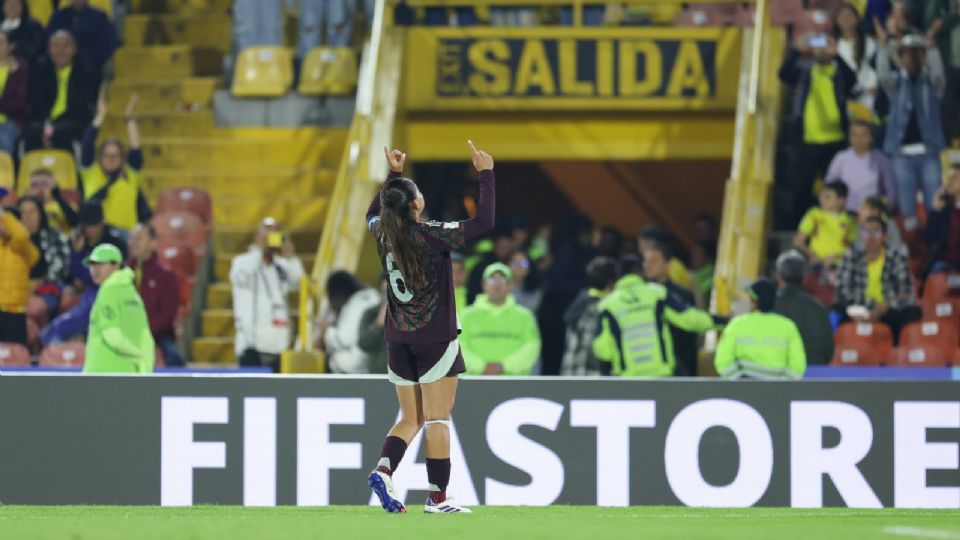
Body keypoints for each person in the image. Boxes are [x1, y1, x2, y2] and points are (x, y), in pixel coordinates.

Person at [364, 141, 494, 514]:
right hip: (435, 339)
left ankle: (384, 471)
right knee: (437, 418)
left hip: (398, 339)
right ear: (415, 205)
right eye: (416, 192)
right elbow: (484, 223)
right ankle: (437, 498)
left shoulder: (382, 233)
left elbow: (373, 211)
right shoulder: (432, 235)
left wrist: (393, 176)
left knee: (410, 417)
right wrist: (485, 174)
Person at [592, 254, 724, 378]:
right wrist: (723, 321)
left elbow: (602, 348)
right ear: (640, 272)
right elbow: (690, 319)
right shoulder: (657, 293)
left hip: (628, 379)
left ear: (618, 277)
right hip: (661, 375)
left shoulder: (607, 305)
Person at [778, 32, 857, 226]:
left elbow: (852, 80)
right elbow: (783, 74)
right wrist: (795, 51)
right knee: (803, 187)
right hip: (808, 140)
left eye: (826, 45)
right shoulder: (805, 70)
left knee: (837, 187)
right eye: (818, 45)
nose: (821, 50)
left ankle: (838, 225)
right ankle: (802, 226)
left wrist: (836, 55)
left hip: (835, 139)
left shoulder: (837, 73)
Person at [875, 25, 947, 222]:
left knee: (935, 202)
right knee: (907, 207)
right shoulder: (897, 83)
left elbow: (939, 74)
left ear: (923, 56)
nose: (911, 58)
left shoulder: (932, 84)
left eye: (915, 53)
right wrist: (883, 48)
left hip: (929, 151)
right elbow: (882, 76)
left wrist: (931, 49)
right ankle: (910, 248)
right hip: (900, 153)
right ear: (900, 58)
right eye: (906, 54)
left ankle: (935, 244)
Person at [230, 217, 304, 372]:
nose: (270, 238)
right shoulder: (242, 262)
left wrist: (291, 256)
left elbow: (299, 283)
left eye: (274, 234)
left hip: (278, 343)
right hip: (251, 344)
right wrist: (260, 249)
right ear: (257, 237)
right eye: (266, 234)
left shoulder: (282, 267)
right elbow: (240, 278)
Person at [835, 216, 921, 342]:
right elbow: (843, 290)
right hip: (858, 307)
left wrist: (885, 306)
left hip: (887, 310)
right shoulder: (851, 257)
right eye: (866, 232)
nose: (871, 236)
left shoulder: (896, 258)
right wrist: (864, 309)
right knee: (836, 311)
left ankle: (894, 352)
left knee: (913, 312)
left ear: (885, 236)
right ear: (861, 236)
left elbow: (906, 293)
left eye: (876, 232)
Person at [81, 92, 149, 232]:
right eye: (107, 155)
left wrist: (129, 117)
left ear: (122, 157)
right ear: (100, 157)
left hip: (126, 235)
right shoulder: (91, 173)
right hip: (98, 234)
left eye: (115, 155)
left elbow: (136, 149)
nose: (111, 159)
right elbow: (87, 143)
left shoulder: (130, 175)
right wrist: (101, 115)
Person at [82, 243, 154, 373]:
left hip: (101, 373)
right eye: (92, 265)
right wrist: (145, 366)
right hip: (130, 375)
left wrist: (138, 355)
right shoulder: (133, 294)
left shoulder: (107, 291)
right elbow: (146, 336)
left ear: (116, 265)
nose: (94, 269)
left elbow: (112, 334)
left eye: (100, 264)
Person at [715, 278, 806, 380]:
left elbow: (722, 360)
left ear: (754, 301)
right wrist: (781, 387)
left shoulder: (737, 324)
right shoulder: (788, 326)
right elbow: (797, 365)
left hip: (742, 392)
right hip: (777, 393)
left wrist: (739, 381)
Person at [460, 262, 541, 376]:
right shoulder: (465, 315)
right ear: (483, 284)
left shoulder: (525, 316)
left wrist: (504, 366)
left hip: (514, 383)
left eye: (503, 279)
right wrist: (481, 367)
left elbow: (531, 347)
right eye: (492, 279)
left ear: (510, 285)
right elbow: (458, 346)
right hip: (473, 382)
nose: (497, 284)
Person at [26, 30, 99, 152]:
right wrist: (48, 124)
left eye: (66, 46)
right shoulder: (39, 69)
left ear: (74, 49)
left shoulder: (86, 72)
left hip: (74, 121)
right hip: (44, 120)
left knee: (61, 133)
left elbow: (81, 106)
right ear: (49, 49)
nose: (61, 51)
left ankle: (71, 170)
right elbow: (36, 101)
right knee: (33, 132)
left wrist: (53, 127)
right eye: (56, 46)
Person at [642, 239, 699, 377]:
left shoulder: (683, 294)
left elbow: (690, 334)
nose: (648, 266)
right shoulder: (640, 295)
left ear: (668, 264)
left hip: (679, 365)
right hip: (647, 366)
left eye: (654, 261)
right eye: (646, 261)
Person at [128, 223, 182, 367]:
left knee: (173, 356)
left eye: (139, 238)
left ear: (153, 243)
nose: (133, 243)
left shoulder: (166, 274)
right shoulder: (122, 274)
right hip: (125, 332)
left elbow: (167, 313)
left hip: (157, 334)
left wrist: (143, 330)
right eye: (131, 238)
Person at [773, 250, 835, 365]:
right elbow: (829, 352)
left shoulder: (769, 308)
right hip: (814, 376)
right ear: (805, 277)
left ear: (778, 276)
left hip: (778, 376)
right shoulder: (819, 308)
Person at [560, 255, 617, 376]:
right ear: (610, 284)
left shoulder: (579, 302)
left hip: (569, 376)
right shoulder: (596, 310)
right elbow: (592, 351)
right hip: (589, 380)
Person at [824, 120, 896, 213]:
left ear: (871, 137)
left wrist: (884, 212)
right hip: (844, 213)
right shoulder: (841, 158)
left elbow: (891, 191)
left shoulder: (881, 160)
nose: (859, 139)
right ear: (849, 137)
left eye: (864, 135)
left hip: (871, 214)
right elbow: (829, 185)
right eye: (854, 135)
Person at [322, 270, 381, 374]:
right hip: (377, 361)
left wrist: (328, 332)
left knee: (331, 360)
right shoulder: (373, 295)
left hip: (358, 364)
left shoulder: (356, 303)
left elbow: (344, 340)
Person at [794, 180, 857, 267]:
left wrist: (835, 258)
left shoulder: (850, 221)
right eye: (821, 196)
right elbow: (798, 241)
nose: (822, 200)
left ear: (841, 200)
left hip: (841, 266)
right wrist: (813, 256)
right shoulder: (814, 215)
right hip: (817, 265)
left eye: (827, 197)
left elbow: (853, 248)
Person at [0, 205, 39, 344]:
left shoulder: (26, 248)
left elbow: (21, 236)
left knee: (15, 357)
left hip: (14, 313)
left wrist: (4, 215)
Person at [46, 0, 116, 72]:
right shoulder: (58, 17)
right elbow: (48, 41)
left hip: (91, 69)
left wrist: (87, 62)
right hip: (57, 68)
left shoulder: (99, 18)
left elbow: (106, 46)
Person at [835, 2, 879, 110]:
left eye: (849, 16)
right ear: (837, 21)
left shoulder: (869, 43)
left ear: (857, 19)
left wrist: (874, 84)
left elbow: (874, 67)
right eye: (842, 16)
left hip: (867, 96)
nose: (846, 19)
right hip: (844, 97)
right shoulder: (834, 46)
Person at [465, 225, 514, 305]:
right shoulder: (481, 267)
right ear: (494, 246)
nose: (503, 251)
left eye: (507, 247)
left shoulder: (514, 263)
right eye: (501, 247)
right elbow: (472, 292)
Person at [925, 163, 960, 272]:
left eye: (954, 177)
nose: (949, 182)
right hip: (943, 266)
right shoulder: (944, 210)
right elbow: (929, 240)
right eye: (947, 178)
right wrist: (935, 210)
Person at [25, 168, 80, 234]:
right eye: (34, 185)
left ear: (54, 185)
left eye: (44, 184)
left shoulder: (67, 205)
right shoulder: (26, 209)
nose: (39, 189)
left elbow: (75, 223)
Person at [357, 272, 390, 376]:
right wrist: (378, 324)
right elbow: (363, 344)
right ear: (380, 293)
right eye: (386, 293)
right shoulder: (371, 314)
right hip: (378, 377)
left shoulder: (410, 315)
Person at [0, 29, 26, 155]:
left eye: (1, 42)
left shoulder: (20, 70)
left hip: (12, 120)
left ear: (11, 46)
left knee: (3, 137)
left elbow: (19, 102)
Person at [1, 0, 44, 66]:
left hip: (26, 68)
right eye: (9, 3)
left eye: (16, 3)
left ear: (23, 6)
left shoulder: (33, 26)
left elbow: (37, 52)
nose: (12, 7)